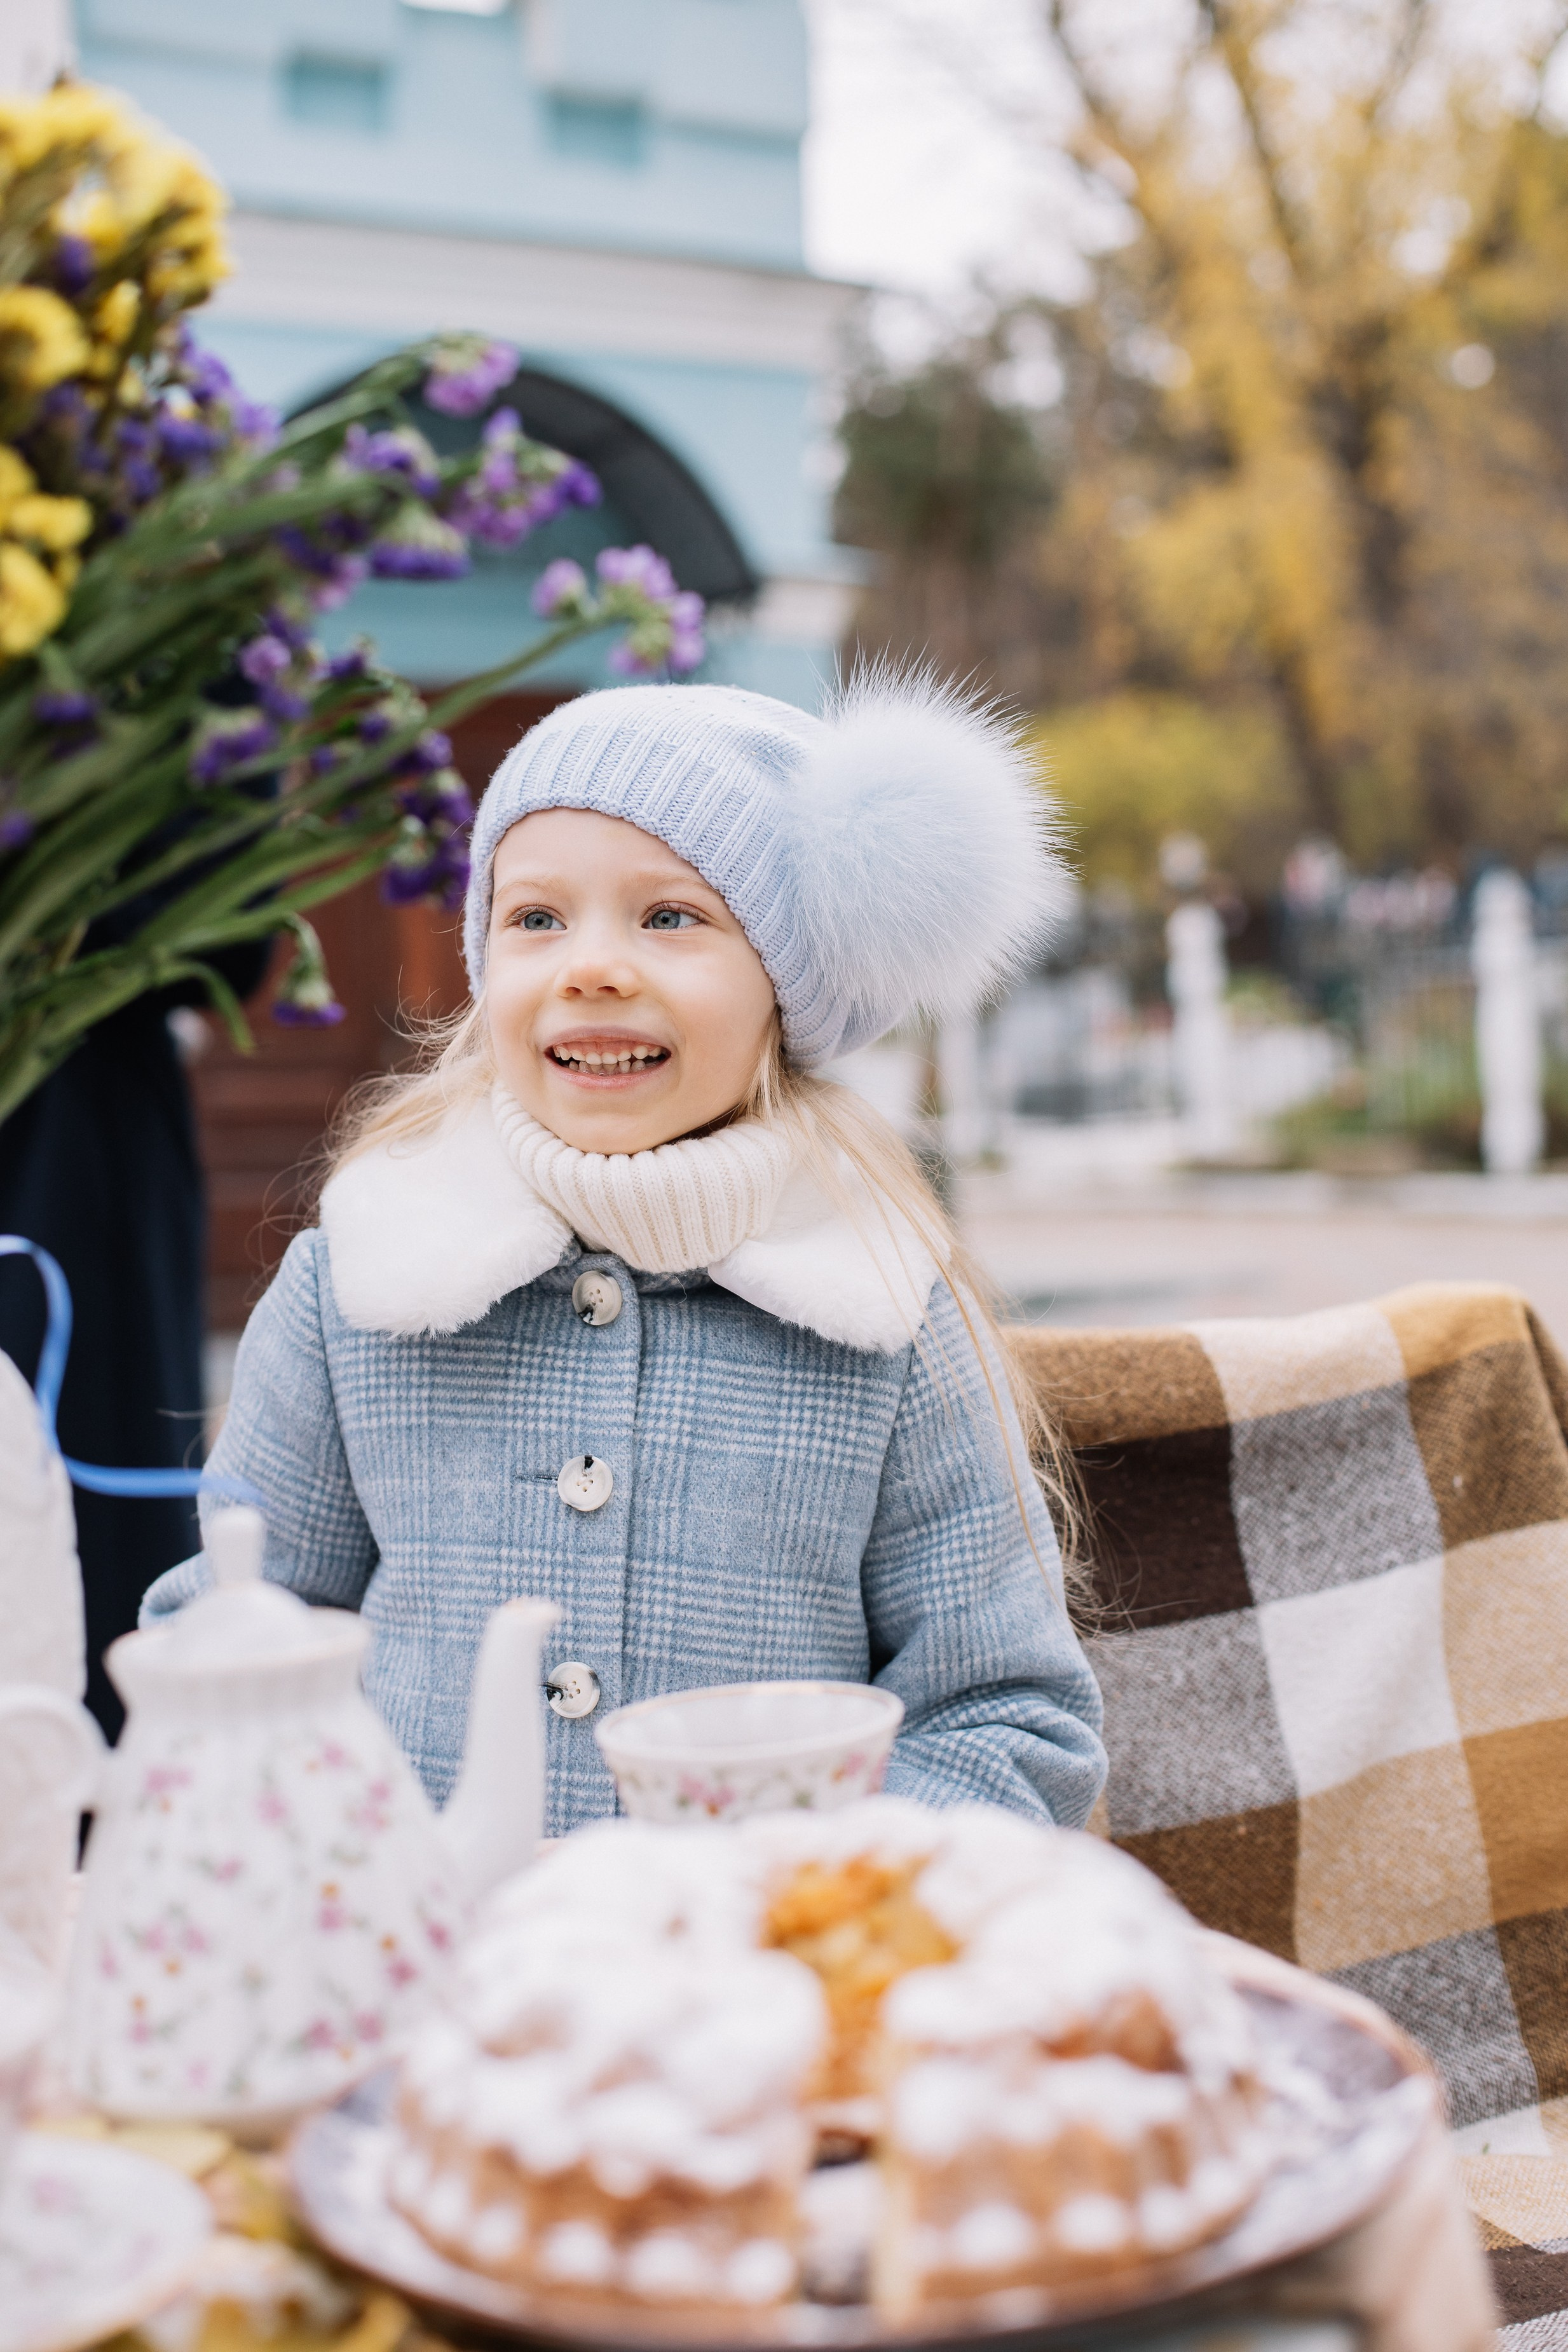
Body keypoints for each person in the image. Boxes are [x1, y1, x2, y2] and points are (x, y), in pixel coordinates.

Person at [143, 673, 1105, 1833]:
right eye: (536, 919)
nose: (590, 965)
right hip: (422, 1935)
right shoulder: (360, 1281)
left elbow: (1006, 1716)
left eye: (670, 917)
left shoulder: (882, 1305)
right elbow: (229, 1653)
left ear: (785, 986)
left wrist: (804, 1895)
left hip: (751, 1944)